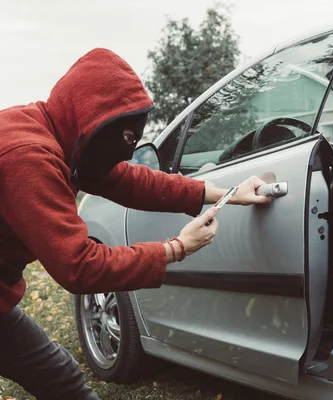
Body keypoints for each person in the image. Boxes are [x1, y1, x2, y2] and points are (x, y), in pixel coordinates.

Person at [0, 48, 271, 399]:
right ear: (93, 122)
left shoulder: (60, 136)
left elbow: (133, 182)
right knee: (61, 381)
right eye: (127, 138)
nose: (127, 153)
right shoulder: (28, 157)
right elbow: (78, 267)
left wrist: (229, 193)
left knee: (61, 380)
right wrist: (175, 249)